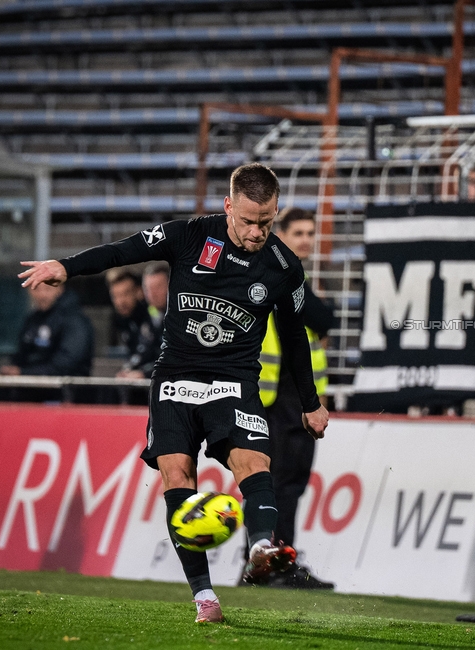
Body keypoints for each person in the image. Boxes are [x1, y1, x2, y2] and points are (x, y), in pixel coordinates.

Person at [18, 163, 330, 624]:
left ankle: (262, 545)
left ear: (275, 212)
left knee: (254, 462)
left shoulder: (284, 267)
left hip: (234, 382)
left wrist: (310, 403)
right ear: (228, 206)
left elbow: (296, 336)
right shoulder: (188, 236)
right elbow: (124, 250)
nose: (256, 231)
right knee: (177, 475)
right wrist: (67, 266)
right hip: (175, 381)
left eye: (265, 222)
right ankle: (204, 597)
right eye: (247, 221)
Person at [255, 207, 336, 589]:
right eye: (298, 232)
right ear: (280, 234)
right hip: (273, 399)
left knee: (288, 485)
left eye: (310, 233)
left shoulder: (290, 275)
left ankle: (279, 562)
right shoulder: (275, 271)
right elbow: (321, 317)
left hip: (296, 399)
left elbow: (322, 318)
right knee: (274, 483)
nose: (306, 240)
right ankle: (266, 564)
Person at [0, 281, 94, 378]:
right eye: (36, 289)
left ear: (60, 289)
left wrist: (23, 372)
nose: (42, 295)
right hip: (32, 386)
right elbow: (21, 354)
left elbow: (66, 364)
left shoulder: (75, 321)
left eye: (48, 289)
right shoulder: (32, 319)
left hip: (66, 389)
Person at [106, 268, 159, 379]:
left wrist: (144, 374)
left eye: (126, 294)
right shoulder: (123, 321)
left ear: (139, 292)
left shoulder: (155, 316)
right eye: (116, 296)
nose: (121, 301)